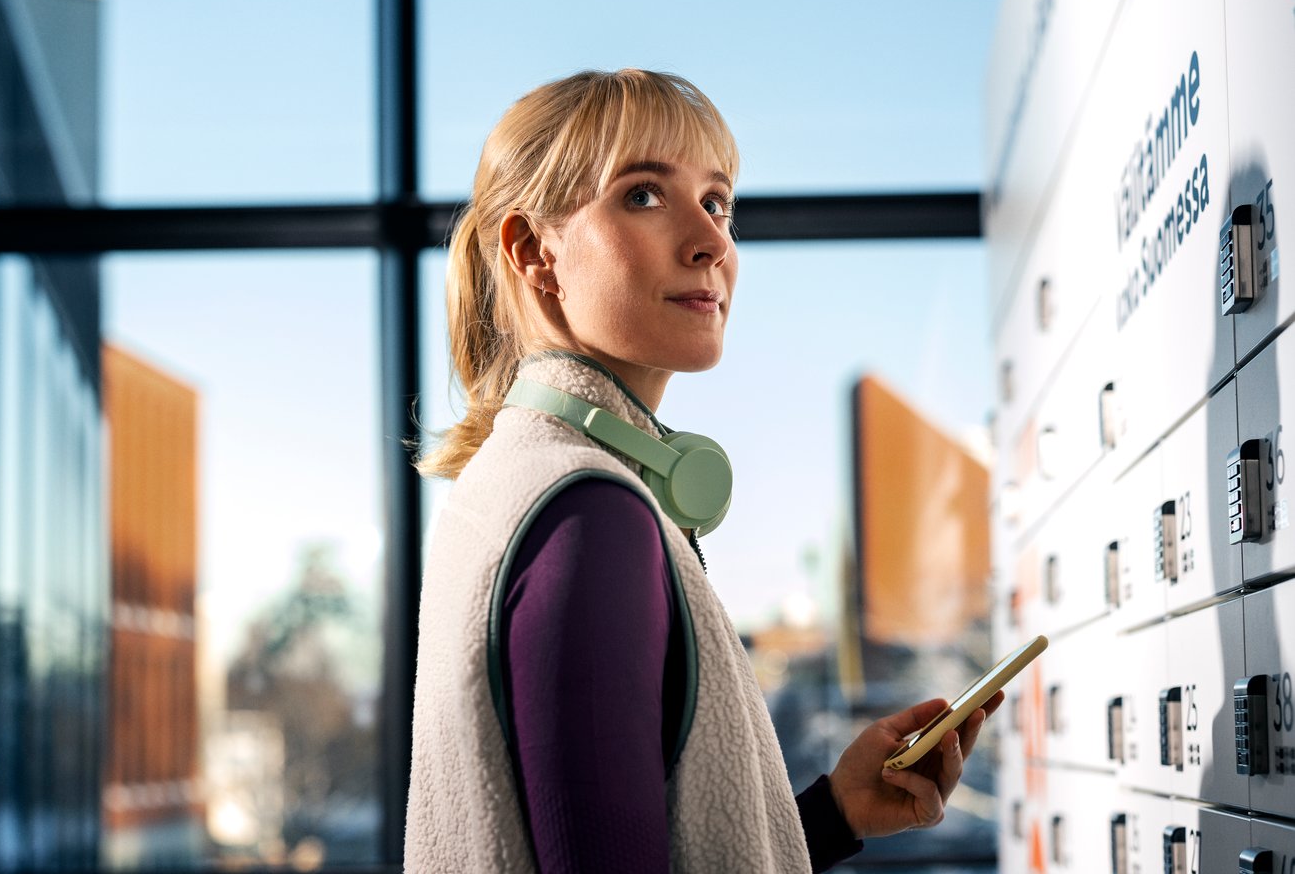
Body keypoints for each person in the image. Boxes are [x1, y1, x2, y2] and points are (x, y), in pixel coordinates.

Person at [406, 68, 1000, 873]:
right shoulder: (590, 515)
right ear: (534, 252)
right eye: (644, 195)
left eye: (718, 202)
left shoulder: (509, 483)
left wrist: (828, 816)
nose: (712, 240)